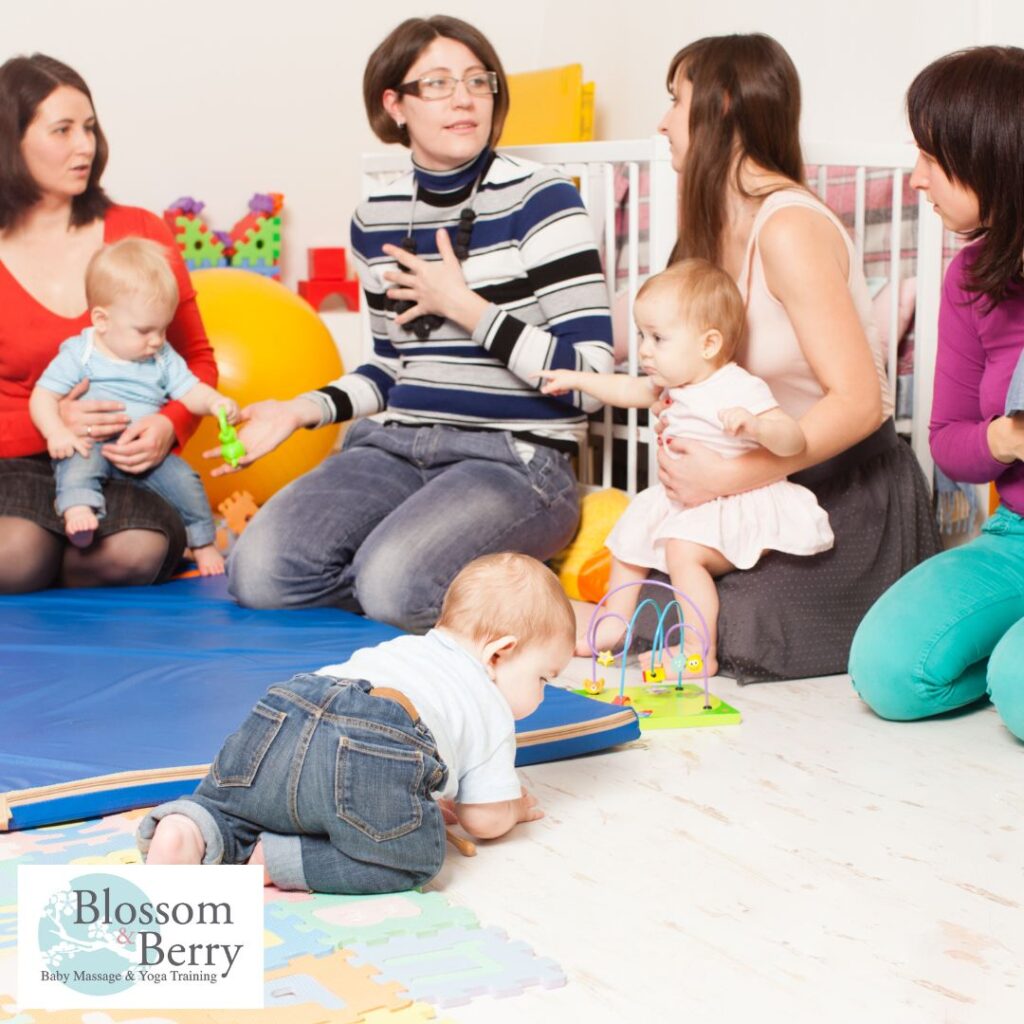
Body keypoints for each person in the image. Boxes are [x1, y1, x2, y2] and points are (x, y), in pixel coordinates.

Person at [220, 15, 613, 629]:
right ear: (395, 105)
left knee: (393, 585)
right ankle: (433, 581)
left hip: (514, 459)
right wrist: (299, 410)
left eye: (478, 81)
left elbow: (591, 376)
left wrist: (465, 307)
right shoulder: (373, 218)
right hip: (396, 447)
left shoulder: (544, 199)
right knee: (257, 571)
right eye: (437, 84)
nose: (464, 98)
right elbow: (389, 368)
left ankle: (436, 584)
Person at [630, 33, 939, 682]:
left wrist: (729, 477)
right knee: (655, 600)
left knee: (743, 631)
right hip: (766, 485)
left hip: (848, 483)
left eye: (675, 101)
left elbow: (860, 403)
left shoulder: (789, 227)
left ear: (720, 106)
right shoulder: (707, 230)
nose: (662, 122)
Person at [137, 553, 575, 894]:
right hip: (377, 734)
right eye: (543, 677)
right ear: (498, 654)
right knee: (415, 857)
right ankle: (277, 860)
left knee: (242, 806)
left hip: (287, 706)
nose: (542, 693)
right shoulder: (491, 707)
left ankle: (192, 829)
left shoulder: (410, 647)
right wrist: (513, 808)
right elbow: (483, 820)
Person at [538, 260, 832, 673]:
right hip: (685, 499)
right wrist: (578, 380)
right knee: (628, 534)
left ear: (708, 345)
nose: (643, 349)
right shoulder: (672, 385)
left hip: (735, 502)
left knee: (682, 550)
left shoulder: (737, 386)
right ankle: (614, 624)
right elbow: (625, 388)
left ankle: (698, 651)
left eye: (658, 338)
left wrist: (758, 427)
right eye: (642, 335)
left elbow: (793, 439)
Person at [850, 47, 1024, 740]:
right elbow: (949, 442)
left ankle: (1009, 660)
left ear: (993, 154)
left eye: (932, 156)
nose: (917, 177)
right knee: (888, 670)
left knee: (1019, 688)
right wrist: (1005, 437)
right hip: (1016, 536)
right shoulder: (970, 280)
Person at [0, 54, 217, 592]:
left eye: (90, 128)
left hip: (125, 465)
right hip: (15, 463)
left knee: (133, 553)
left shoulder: (139, 231)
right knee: (15, 555)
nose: (86, 147)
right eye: (63, 130)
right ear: (11, 142)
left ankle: (59, 556)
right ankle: (44, 553)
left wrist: (168, 425)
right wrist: (53, 422)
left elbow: (196, 359)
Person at [29, 239, 238, 574]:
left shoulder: (161, 355)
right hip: (92, 442)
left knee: (186, 481)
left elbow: (190, 390)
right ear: (102, 320)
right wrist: (56, 432)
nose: (156, 340)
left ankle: (202, 542)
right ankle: (79, 511)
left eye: (163, 329)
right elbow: (43, 395)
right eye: (144, 331)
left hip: (145, 452)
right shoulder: (81, 353)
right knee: (76, 466)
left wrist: (215, 402)